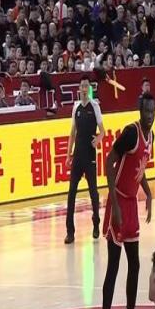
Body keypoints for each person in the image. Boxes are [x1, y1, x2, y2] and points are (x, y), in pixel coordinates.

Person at [96, 93, 155, 309]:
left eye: (152, 112)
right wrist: (115, 206)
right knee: (113, 266)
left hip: (131, 202)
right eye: (146, 112)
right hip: (118, 201)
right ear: (139, 111)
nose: (149, 116)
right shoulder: (131, 133)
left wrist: (148, 192)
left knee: (135, 265)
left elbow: (138, 168)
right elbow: (110, 162)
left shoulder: (150, 137)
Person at [64, 75, 105, 244]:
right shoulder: (76, 108)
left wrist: (98, 139)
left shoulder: (95, 106)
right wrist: (68, 154)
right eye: (81, 86)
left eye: (86, 86)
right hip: (78, 155)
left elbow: (102, 130)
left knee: (93, 191)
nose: (84, 88)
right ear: (79, 88)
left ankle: (96, 223)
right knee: (71, 192)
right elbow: (72, 133)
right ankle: (70, 232)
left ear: (89, 89)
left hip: (90, 155)